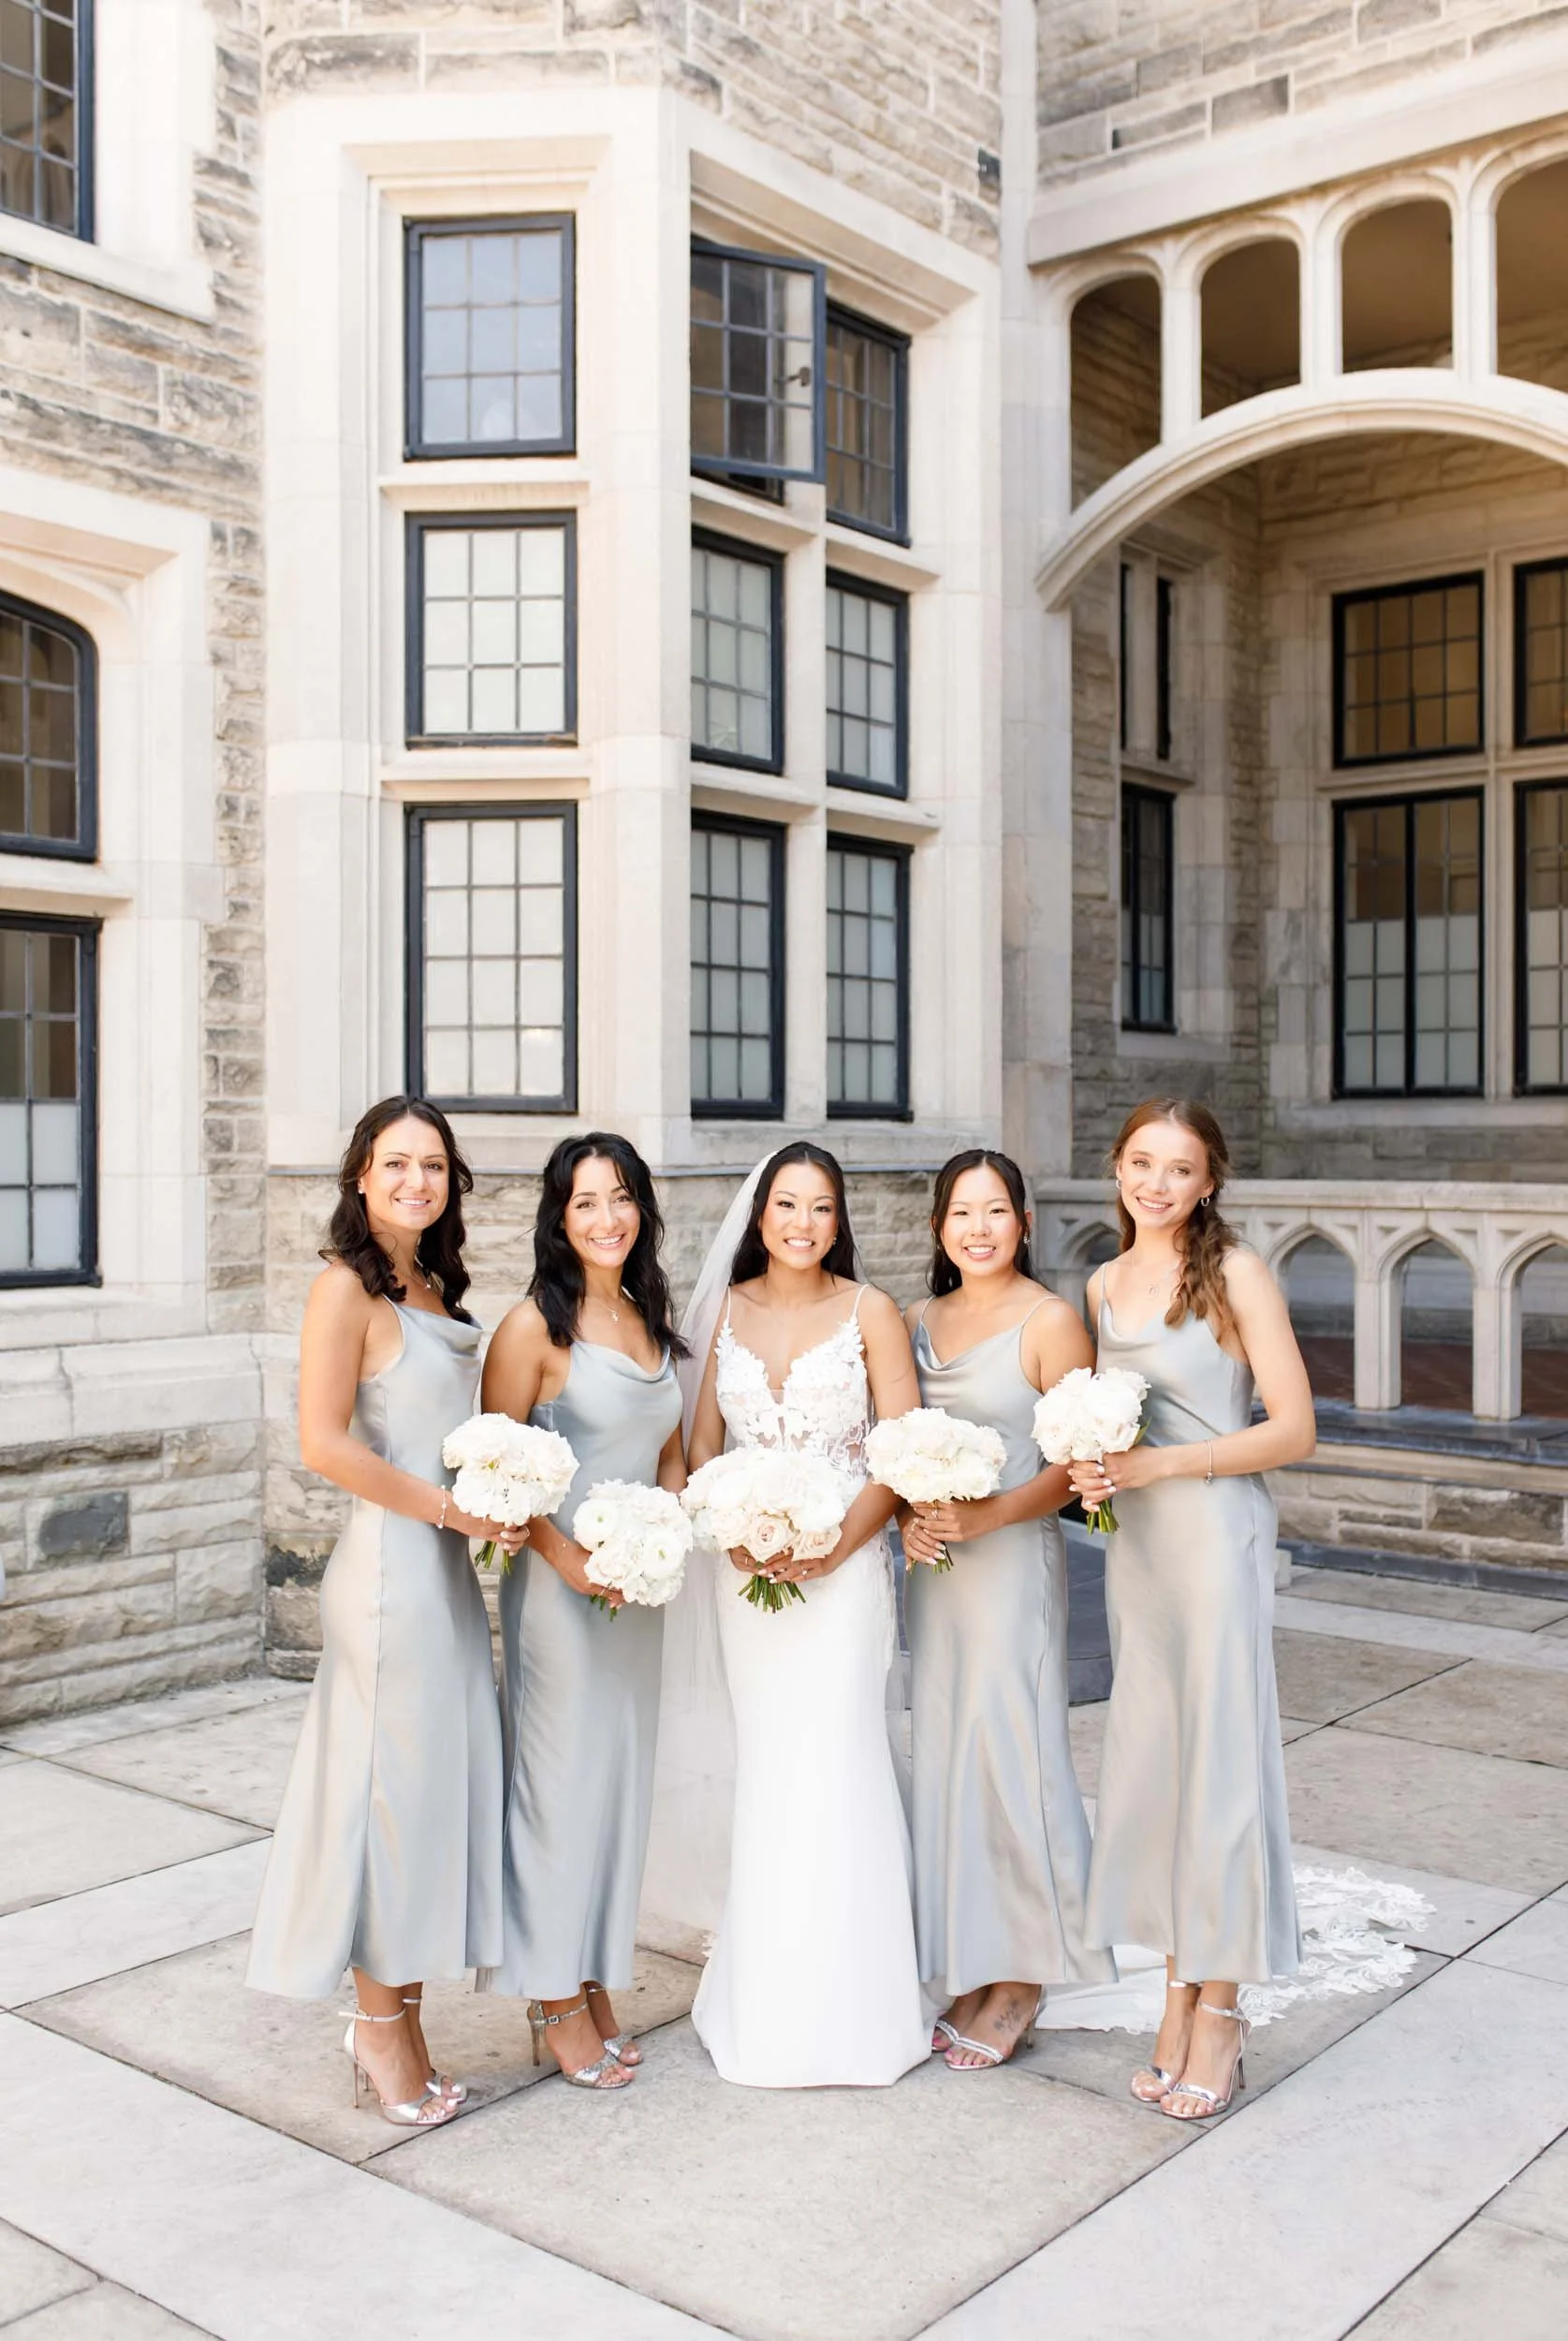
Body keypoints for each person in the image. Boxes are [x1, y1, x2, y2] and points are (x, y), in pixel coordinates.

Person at [247, 1097, 520, 2128]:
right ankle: (379, 2028)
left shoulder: (437, 1287)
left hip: (445, 1573)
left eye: (435, 1165)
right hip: (391, 1575)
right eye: (396, 1162)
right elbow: (326, 1443)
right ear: (360, 1174)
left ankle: (398, 2009)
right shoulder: (342, 1289)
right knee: (387, 1799)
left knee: (428, 1794)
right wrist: (454, 1508)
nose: (416, 1180)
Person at [1071, 1098, 1314, 2121]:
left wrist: (1161, 1462)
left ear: (1208, 1180)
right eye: (1140, 1162)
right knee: (1157, 1771)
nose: (1156, 1183)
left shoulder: (1236, 1274)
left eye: (1179, 1168)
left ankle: (1221, 2007)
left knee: (1220, 1769)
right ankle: (1176, 1982)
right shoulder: (1099, 1281)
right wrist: (1090, 1469)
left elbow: (1294, 1429)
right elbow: (1100, 1414)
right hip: (1140, 1555)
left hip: (1214, 1537)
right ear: (1117, 1169)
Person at [680, 1144, 930, 2088]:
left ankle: (860, 2014)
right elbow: (703, 1447)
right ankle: (766, 2003)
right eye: (787, 1203)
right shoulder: (722, 1314)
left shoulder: (870, 1312)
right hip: (749, 1585)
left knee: (841, 1764)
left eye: (820, 1207)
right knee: (772, 1774)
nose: (802, 1222)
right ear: (760, 1214)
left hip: (846, 1574)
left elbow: (901, 1450)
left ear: (839, 1220)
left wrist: (834, 1542)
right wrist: (733, 1529)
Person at [477, 1135, 685, 2092]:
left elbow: (668, 1444)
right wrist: (572, 1563)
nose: (607, 1217)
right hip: (562, 1604)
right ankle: (550, 1997)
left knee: (615, 1787)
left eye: (622, 1198)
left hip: (638, 1596)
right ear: (558, 1218)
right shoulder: (533, 1329)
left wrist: (666, 1531)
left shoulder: (646, 1314)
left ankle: (593, 1974)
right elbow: (495, 1469)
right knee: (557, 1794)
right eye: (586, 1202)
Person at [901, 1149, 1117, 2069]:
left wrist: (985, 1513)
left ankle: (1027, 1969)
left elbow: (1075, 1466)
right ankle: (975, 1949)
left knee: (1015, 1749)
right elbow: (894, 1442)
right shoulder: (916, 1318)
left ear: (1022, 1222)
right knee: (951, 1753)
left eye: (995, 1211)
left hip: (1011, 1565)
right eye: (961, 1212)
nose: (978, 1228)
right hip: (936, 1573)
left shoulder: (1050, 1320)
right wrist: (912, 1519)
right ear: (940, 1225)